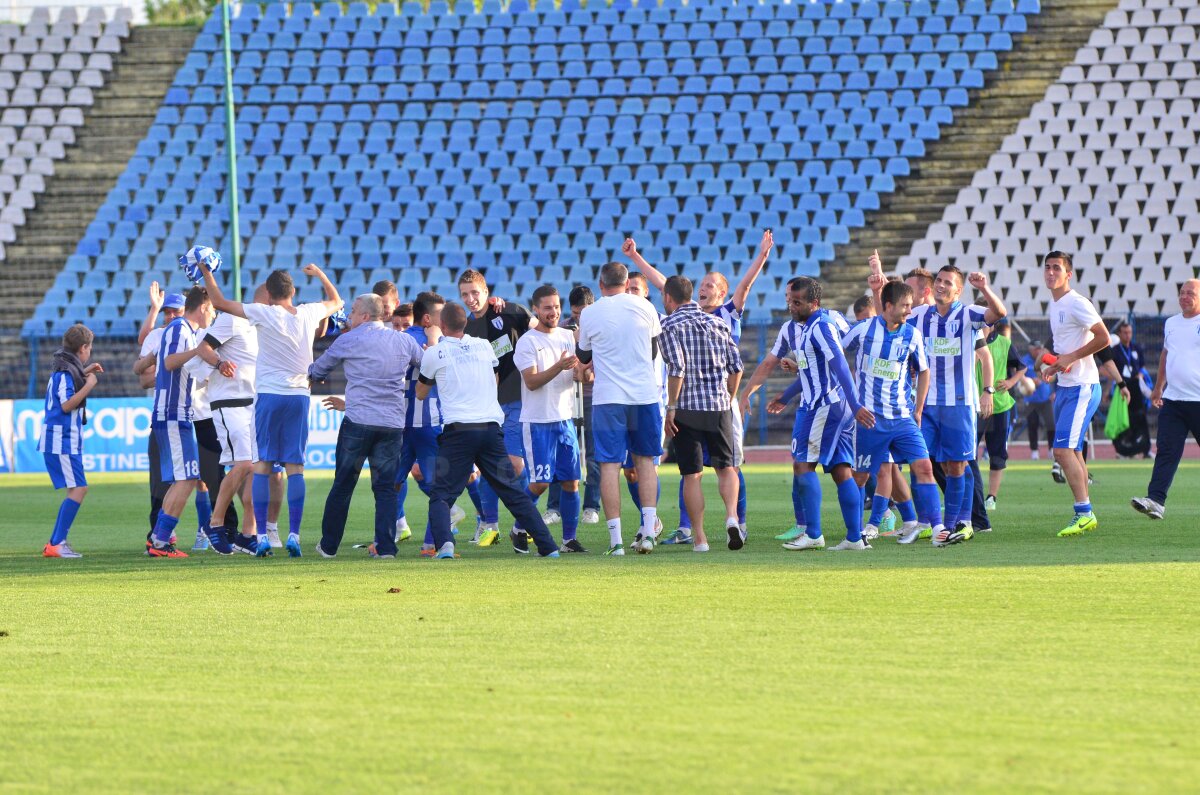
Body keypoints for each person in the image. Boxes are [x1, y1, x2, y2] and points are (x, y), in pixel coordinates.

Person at [622, 231, 773, 542]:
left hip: (690, 401)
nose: (704, 288)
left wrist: (761, 257)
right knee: (722, 466)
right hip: (719, 401)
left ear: (722, 295)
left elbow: (743, 285)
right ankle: (693, 526)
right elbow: (669, 286)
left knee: (704, 469)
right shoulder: (705, 321)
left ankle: (727, 525)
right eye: (702, 285)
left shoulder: (726, 313)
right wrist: (636, 258)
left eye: (711, 286)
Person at [198, 261, 343, 556]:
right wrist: (321, 275)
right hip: (300, 395)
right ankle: (293, 535)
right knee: (295, 467)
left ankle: (262, 536)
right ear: (292, 291)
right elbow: (337, 301)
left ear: (269, 293)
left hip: (268, 395)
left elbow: (219, 302)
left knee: (262, 464)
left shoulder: (264, 312)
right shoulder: (307, 312)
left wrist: (206, 272)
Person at [416, 302, 559, 559]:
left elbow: (420, 393)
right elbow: (493, 378)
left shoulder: (434, 353)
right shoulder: (483, 346)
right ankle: (548, 547)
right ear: (465, 323)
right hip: (491, 430)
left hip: (458, 432)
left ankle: (445, 546)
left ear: (443, 326)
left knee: (441, 495)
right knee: (514, 493)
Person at [739, 277, 867, 550]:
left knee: (802, 465)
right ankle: (855, 538)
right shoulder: (794, 328)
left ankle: (813, 533)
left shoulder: (821, 326)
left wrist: (856, 405)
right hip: (833, 404)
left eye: (797, 302)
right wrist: (765, 394)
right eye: (788, 300)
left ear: (814, 303)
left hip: (823, 405)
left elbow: (841, 367)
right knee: (841, 470)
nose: (791, 306)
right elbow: (772, 363)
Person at [899, 261, 1007, 545]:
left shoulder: (968, 314)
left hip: (960, 404)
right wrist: (878, 283)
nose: (941, 285)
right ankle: (930, 524)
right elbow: (890, 314)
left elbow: (999, 313)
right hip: (928, 404)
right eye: (940, 281)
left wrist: (983, 287)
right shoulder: (921, 315)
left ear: (958, 291)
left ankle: (954, 525)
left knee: (956, 466)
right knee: (920, 463)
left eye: (948, 283)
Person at [310, 294, 423, 559]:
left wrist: (312, 373)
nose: (349, 315)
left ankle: (328, 547)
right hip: (392, 425)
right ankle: (386, 548)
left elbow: (317, 370)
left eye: (352, 311)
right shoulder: (404, 340)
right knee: (385, 489)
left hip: (358, 422)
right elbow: (427, 363)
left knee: (343, 485)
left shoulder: (349, 339)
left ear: (363, 316)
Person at [843, 280, 948, 545]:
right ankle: (855, 536)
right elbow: (835, 354)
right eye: (905, 306)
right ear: (888, 306)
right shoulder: (864, 330)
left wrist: (919, 408)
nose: (909, 312)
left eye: (911, 306)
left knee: (924, 467)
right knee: (859, 477)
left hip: (903, 417)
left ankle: (937, 529)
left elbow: (924, 370)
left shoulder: (911, 334)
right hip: (870, 420)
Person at [576, 261, 664, 555]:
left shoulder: (590, 312)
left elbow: (583, 355)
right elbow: (653, 351)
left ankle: (616, 541)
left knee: (609, 466)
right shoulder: (646, 307)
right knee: (645, 462)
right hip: (644, 394)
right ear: (627, 284)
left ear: (601, 285)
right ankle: (649, 531)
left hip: (608, 398)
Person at [658, 275, 745, 552]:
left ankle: (700, 538)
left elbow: (677, 368)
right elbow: (737, 366)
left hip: (687, 408)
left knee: (692, 475)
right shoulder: (718, 322)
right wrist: (729, 397)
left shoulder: (669, 325)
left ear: (668, 298)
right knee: (726, 467)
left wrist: (671, 408)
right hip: (719, 406)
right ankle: (732, 516)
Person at [459, 269, 536, 547]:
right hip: (487, 405)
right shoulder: (467, 331)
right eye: (465, 294)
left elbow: (541, 331)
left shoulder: (512, 312)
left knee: (514, 465)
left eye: (475, 293)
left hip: (519, 398)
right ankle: (490, 524)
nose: (471, 299)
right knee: (495, 465)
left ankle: (520, 521)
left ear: (487, 292)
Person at [147, 287, 222, 558]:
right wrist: (198, 351)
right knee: (189, 478)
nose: (213, 315)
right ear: (203, 307)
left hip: (174, 413)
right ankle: (161, 541)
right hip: (172, 413)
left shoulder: (183, 331)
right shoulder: (180, 329)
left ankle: (158, 538)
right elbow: (168, 362)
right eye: (212, 309)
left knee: (183, 478)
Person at [190, 284, 265, 554]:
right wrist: (220, 363)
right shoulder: (233, 319)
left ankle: (248, 534)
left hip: (253, 403)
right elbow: (203, 348)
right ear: (264, 299)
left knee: (256, 467)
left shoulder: (260, 325)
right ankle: (215, 522)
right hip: (229, 403)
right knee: (244, 462)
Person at [1040, 251, 1110, 538]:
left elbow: (1103, 337)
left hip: (1083, 386)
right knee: (1073, 450)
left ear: (1068, 274)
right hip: (1067, 387)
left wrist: (1068, 359)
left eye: (1057, 268)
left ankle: (1084, 512)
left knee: (1062, 451)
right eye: (1047, 267)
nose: (1050, 272)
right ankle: (1085, 512)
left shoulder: (1077, 302)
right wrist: (1052, 363)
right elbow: (1064, 349)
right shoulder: (1054, 304)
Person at [514, 285, 588, 553]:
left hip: (565, 419)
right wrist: (558, 366)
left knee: (571, 481)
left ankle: (569, 539)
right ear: (536, 309)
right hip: (537, 422)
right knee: (540, 483)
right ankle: (519, 526)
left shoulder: (569, 336)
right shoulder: (528, 342)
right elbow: (531, 382)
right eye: (547, 308)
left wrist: (584, 373)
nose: (553, 312)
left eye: (556, 307)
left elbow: (581, 374)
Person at [1132, 279, 1200, 520]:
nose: (1184, 296)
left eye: (1190, 293)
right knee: (1166, 451)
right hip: (1173, 401)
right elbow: (1166, 354)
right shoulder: (1171, 323)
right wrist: (1159, 387)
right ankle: (1156, 500)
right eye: (1182, 292)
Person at [38, 323, 102, 558]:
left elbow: (67, 388)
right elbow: (66, 404)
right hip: (61, 439)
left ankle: (55, 543)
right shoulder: (65, 374)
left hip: (62, 440)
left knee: (77, 489)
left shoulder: (64, 369)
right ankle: (56, 544)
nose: (90, 352)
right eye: (90, 348)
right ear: (83, 347)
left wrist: (84, 373)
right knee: (79, 489)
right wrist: (90, 384)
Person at [544, 285, 602, 528]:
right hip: (566, 397)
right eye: (576, 314)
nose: (579, 318)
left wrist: (588, 373)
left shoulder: (601, 326)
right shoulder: (564, 329)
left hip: (592, 396)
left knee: (593, 453)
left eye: (583, 313)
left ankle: (591, 506)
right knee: (563, 452)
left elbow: (603, 364)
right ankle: (554, 507)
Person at [133, 285, 183, 541]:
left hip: (195, 415)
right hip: (165, 416)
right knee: (161, 479)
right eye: (167, 312)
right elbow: (143, 380)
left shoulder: (194, 334)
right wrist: (172, 369)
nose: (170, 316)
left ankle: (207, 531)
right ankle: (158, 533)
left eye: (176, 311)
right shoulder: (157, 336)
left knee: (203, 480)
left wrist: (163, 372)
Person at [976, 318, 1027, 509]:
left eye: (984, 322)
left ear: (993, 324)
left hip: (999, 406)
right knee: (966, 453)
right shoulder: (970, 341)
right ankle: (969, 495)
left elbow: (1022, 367)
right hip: (974, 405)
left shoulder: (1004, 343)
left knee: (997, 454)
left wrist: (1011, 382)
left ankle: (991, 498)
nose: (981, 326)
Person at [1109, 321, 1152, 458]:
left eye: (1129, 332)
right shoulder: (1115, 351)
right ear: (1120, 334)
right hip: (1122, 388)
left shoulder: (1136, 348)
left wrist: (1140, 374)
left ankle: (1145, 450)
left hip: (1136, 388)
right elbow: (1108, 369)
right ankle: (1123, 451)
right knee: (1124, 419)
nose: (1128, 335)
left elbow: (1142, 367)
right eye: (1125, 333)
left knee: (1140, 418)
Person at [1021, 340, 1055, 460]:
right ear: (1030, 349)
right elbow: (1019, 375)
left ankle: (1051, 449)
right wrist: (1029, 381)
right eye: (1036, 349)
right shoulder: (1024, 361)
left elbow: (1055, 374)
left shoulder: (1045, 359)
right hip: (1031, 399)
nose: (1039, 351)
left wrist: (1054, 391)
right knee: (1032, 425)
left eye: (1040, 348)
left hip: (1046, 398)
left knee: (1051, 424)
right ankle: (1034, 451)